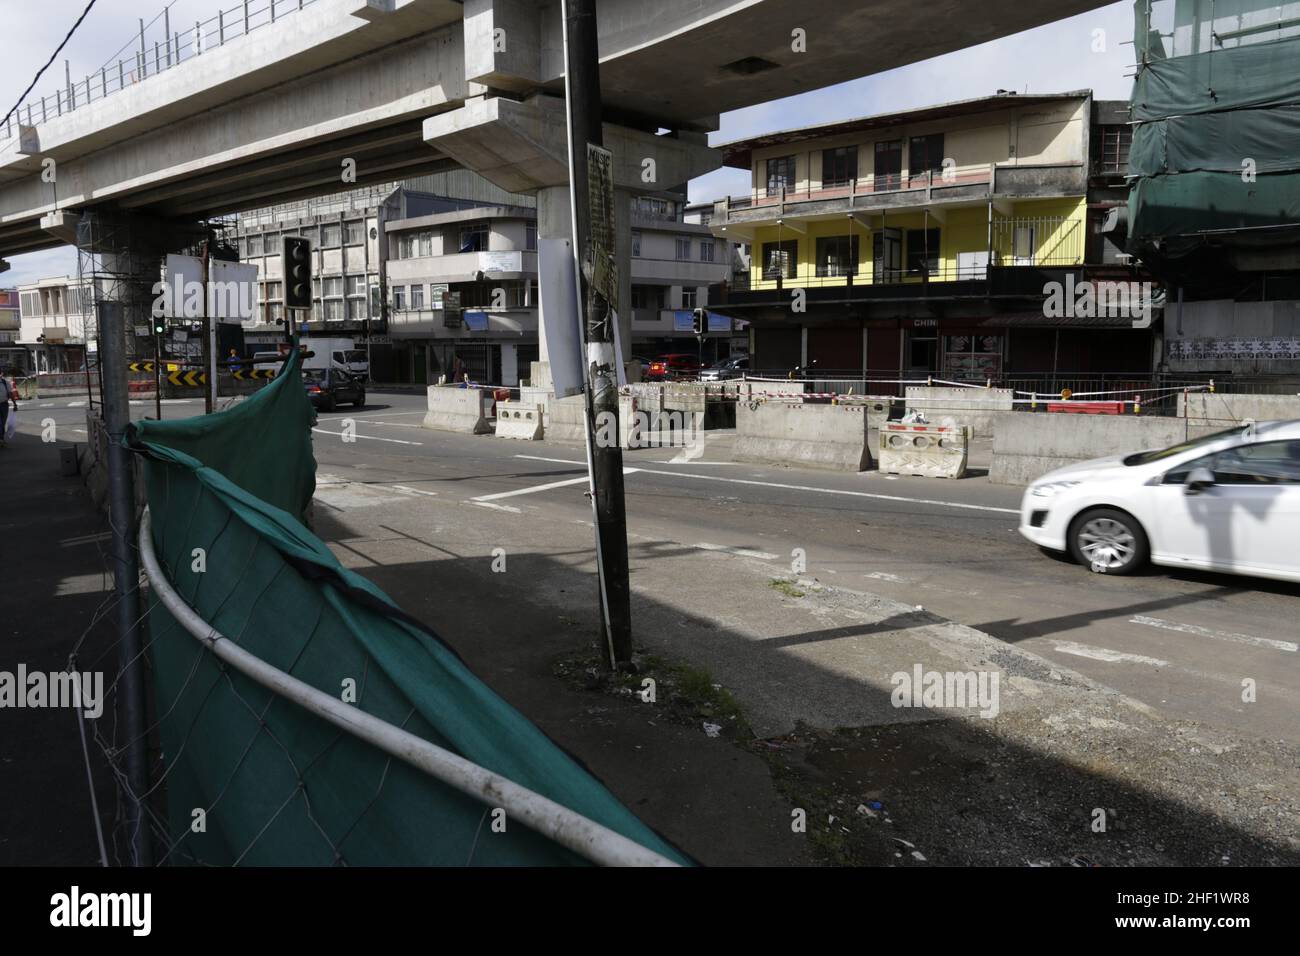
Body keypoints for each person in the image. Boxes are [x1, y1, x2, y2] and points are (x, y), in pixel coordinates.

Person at [0, 369, 17, 447]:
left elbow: (10, 394)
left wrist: (14, 404)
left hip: (4, 405)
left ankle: (2, 439)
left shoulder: (5, 382)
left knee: (2, 423)